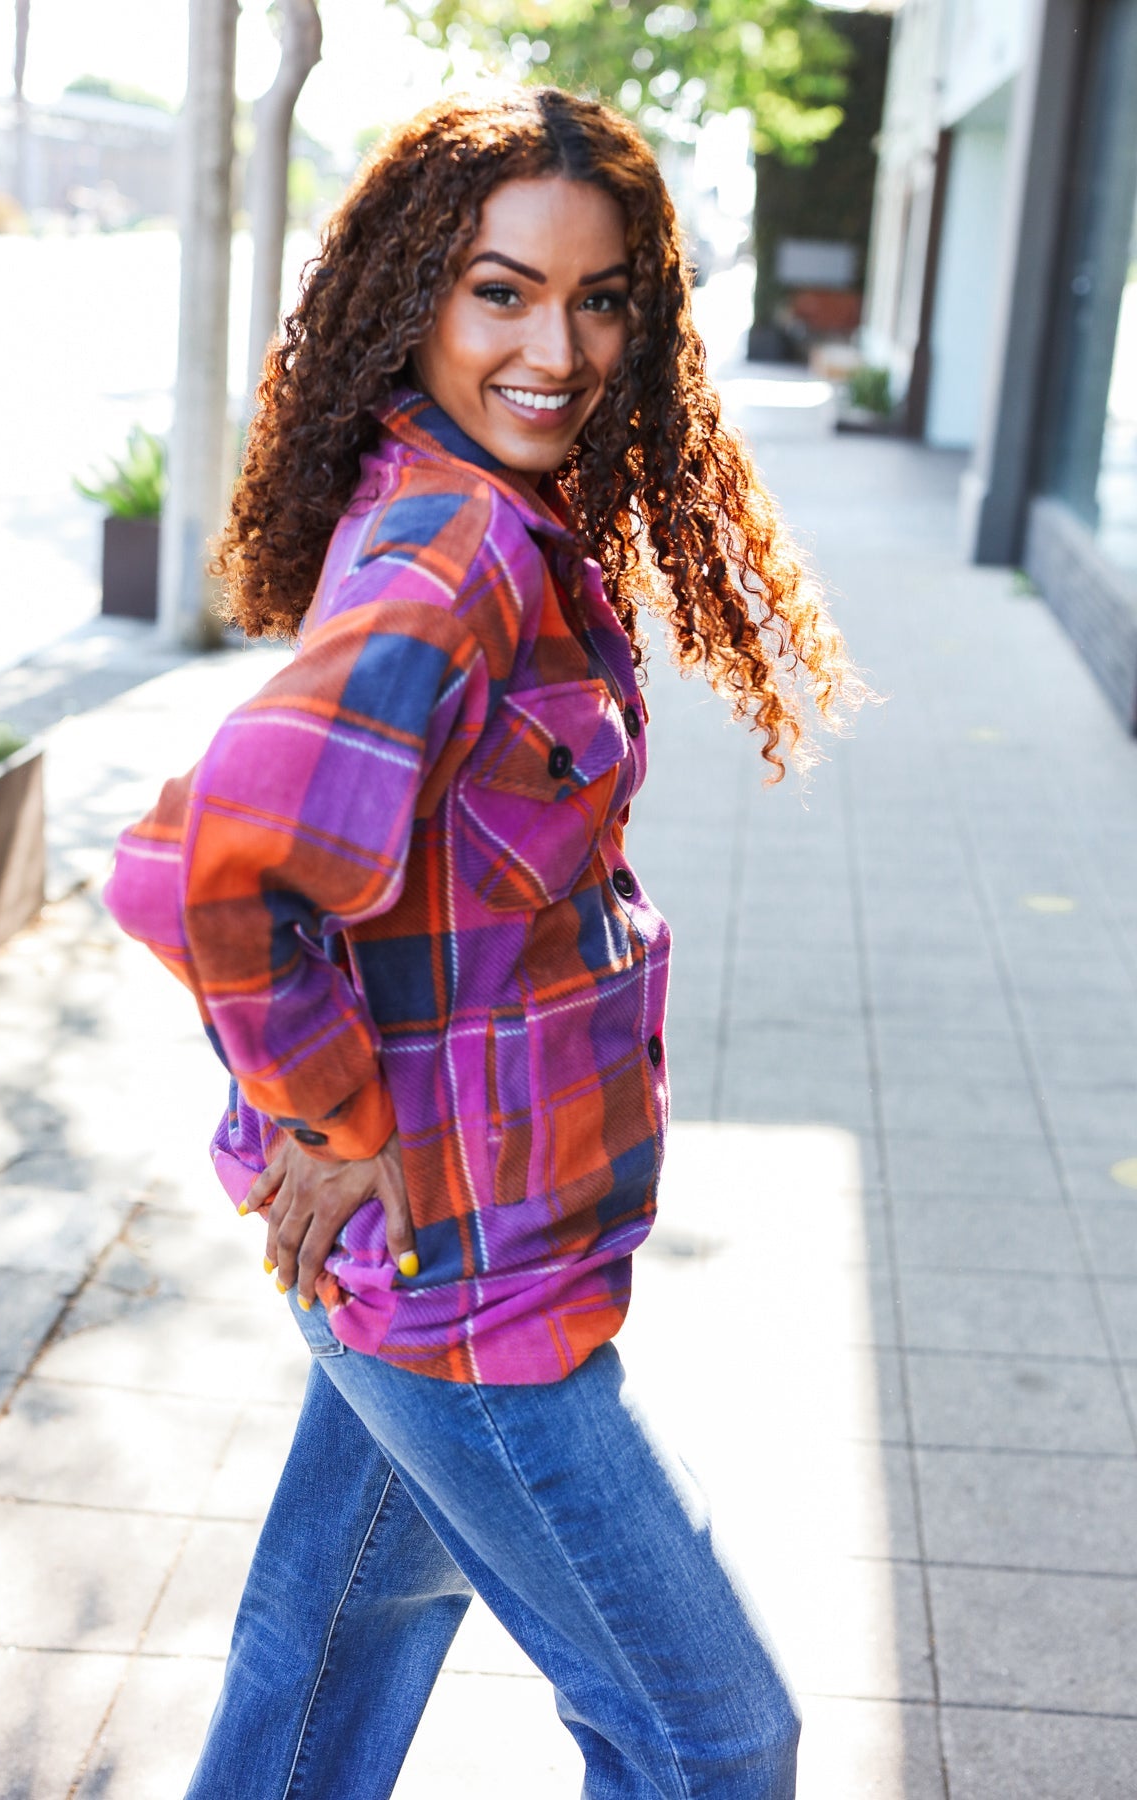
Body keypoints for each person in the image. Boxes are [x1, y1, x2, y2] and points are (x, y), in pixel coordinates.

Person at [104, 85, 864, 1800]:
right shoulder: (451, 562)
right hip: (467, 1287)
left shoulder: (479, 515)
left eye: (601, 299)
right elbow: (196, 871)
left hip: (435, 1263)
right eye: (501, 290)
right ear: (413, 297)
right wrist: (333, 1120)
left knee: (319, 1679)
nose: (559, 345)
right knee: (716, 1740)